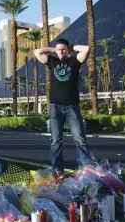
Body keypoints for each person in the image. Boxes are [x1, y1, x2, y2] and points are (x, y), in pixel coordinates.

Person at [34, 38, 96, 181]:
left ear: (67, 50)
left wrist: (72, 47)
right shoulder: (52, 61)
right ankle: (57, 172)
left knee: (80, 139)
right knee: (56, 140)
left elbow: (86, 49)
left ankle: (87, 170)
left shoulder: (74, 62)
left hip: (72, 107)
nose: (60, 51)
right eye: (58, 49)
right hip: (55, 107)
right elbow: (37, 52)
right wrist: (53, 49)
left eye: (63, 49)